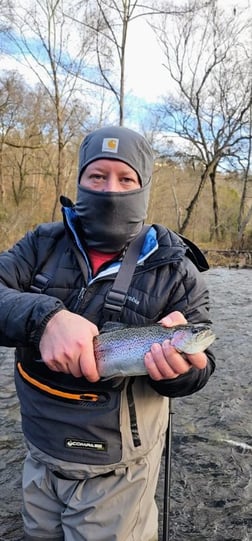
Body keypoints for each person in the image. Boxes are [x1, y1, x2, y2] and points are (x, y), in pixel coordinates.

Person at [0, 126, 215, 541]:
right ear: (79, 181)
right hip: (40, 452)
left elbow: (201, 374)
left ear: (144, 186)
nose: (110, 190)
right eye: (96, 177)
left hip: (119, 470)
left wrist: (183, 373)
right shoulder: (40, 245)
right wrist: (45, 318)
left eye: (126, 178)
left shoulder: (176, 269)